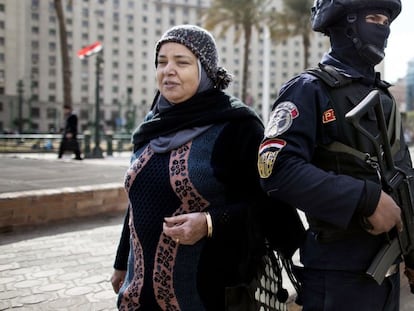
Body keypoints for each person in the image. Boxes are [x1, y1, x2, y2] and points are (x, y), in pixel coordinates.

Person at [110, 24, 304, 310]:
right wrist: (121, 263)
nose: (169, 70)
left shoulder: (237, 126)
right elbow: (137, 201)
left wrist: (210, 223)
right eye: (162, 62)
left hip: (209, 294)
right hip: (140, 294)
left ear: (205, 70)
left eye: (182, 62)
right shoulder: (151, 128)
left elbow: (268, 205)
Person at [258, 0, 414, 310]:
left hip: (387, 275)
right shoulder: (310, 89)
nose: (382, 28)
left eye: (386, 20)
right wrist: (364, 198)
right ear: (346, 23)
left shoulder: (382, 97)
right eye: (373, 18)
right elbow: (275, 167)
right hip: (337, 275)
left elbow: (403, 180)